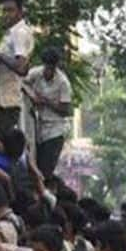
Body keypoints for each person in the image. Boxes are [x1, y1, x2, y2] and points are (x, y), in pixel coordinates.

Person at [0, 0, 34, 142]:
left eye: (10, 10)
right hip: (3, 100)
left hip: (7, 103)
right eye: (3, 10)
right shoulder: (10, 34)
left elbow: (21, 68)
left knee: (0, 146)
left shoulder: (20, 33)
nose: (5, 15)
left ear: (20, 12)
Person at [24, 48, 73, 177]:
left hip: (55, 130)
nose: (47, 71)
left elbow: (66, 110)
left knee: (45, 169)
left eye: (51, 68)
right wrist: (32, 96)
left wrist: (46, 102)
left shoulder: (63, 83)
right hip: (37, 125)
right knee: (33, 164)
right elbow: (22, 83)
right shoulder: (36, 73)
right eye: (46, 67)